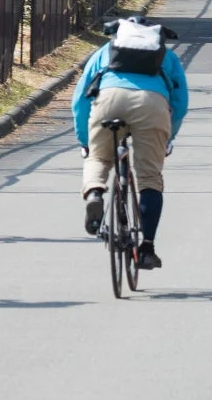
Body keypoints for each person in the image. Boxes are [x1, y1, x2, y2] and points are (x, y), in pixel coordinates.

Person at [74, 15, 189, 270]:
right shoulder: (166, 57)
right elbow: (180, 104)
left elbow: (80, 99)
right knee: (150, 178)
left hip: (109, 99)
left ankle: (94, 192)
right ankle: (146, 248)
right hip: (152, 103)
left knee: (100, 157)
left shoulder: (105, 52)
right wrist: (168, 137)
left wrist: (85, 140)